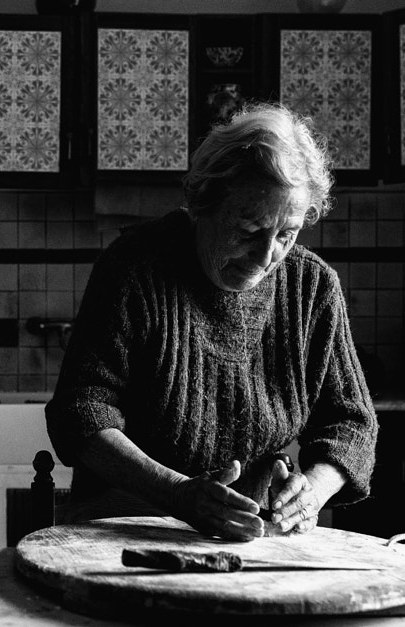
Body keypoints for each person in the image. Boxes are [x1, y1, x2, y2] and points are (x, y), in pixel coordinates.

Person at [45, 101, 378, 542]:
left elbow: (353, 423)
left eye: (286, 234)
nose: (266, 258)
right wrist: (179, 494)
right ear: (202, 205)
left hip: (253, 528)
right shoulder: (134, 268)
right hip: (124, 521)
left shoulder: (312, 287)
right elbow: (80, 411)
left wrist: (312, 492)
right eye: (248, 229)